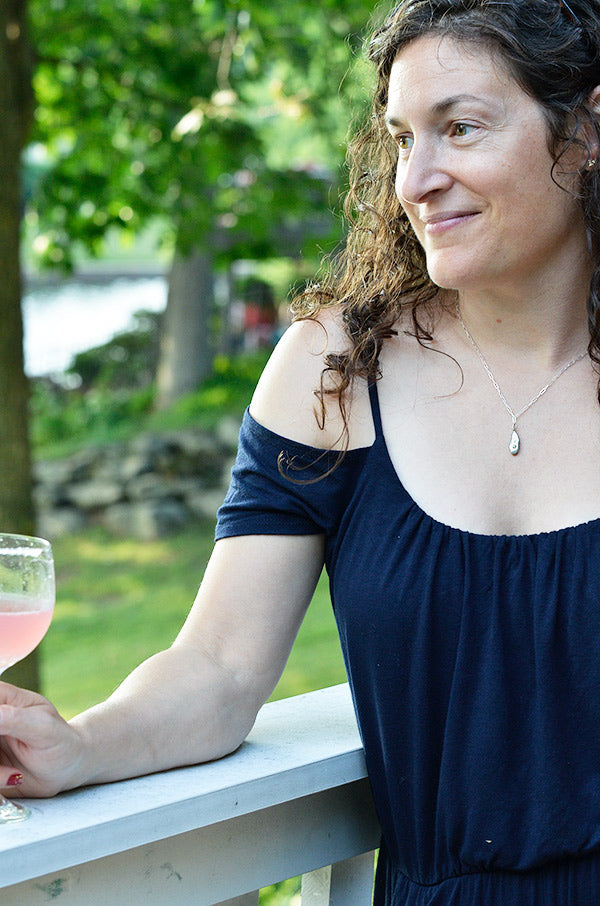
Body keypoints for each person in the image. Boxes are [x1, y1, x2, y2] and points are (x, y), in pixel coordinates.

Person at [3, 0, 600, 901]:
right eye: (403, 138)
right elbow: (219, 667)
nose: (417, 178)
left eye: (461, 129)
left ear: (587, 128)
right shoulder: (334, 370)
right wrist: (82, 744)